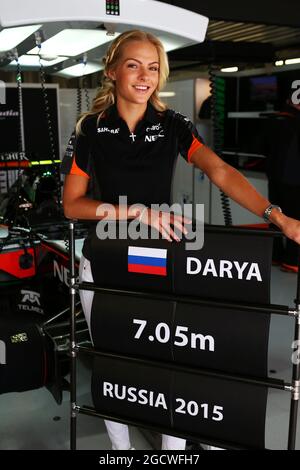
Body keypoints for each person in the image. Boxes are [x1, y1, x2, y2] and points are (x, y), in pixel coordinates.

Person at [61, 30, 300, 450]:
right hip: (105, 260)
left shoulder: (172, 125)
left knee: (167, 357)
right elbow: (72, 205)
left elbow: (220, 172)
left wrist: (273, 214)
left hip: (155, 259)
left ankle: (174, 452)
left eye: (153, 67)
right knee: (116, 361)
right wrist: (134, 211)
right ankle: (122, 452)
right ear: (113, 71)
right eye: (133, 65)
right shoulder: (90, 130)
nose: (144, 76)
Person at [262, 96, 300, 272]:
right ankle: (293, 260)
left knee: (275, 216)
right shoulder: (295, 122)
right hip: (293, 180)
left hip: (275, 177)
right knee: (294, 218)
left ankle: (274, 256)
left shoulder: (276, 120)